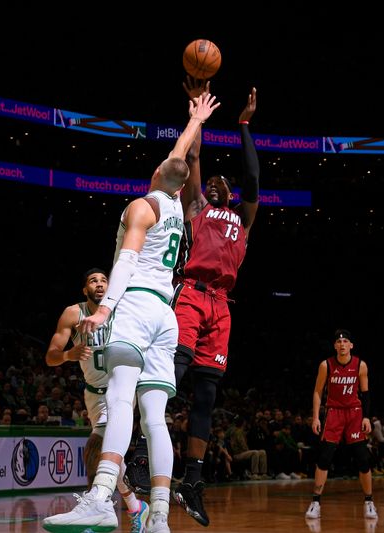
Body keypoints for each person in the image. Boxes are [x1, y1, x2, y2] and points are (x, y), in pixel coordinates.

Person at [43, 91, 219, 533]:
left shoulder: (142, 206)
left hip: (137, 306)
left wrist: (105, 310)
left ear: (157, 173)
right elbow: (178, 157)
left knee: (120, 399)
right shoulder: (178, 206)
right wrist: (196, 120)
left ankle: (102, 497)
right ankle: (158, 516)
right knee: (155, 418)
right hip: (167, 315)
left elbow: (124, 261)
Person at [137, 80, 255, 528]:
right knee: (171, 375)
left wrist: (243, 125)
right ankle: (140, 455)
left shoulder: (243, 218)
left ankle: (193, 481)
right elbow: (191, 158)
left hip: (222, 305)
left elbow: (254, 177)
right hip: (191, 293)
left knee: (206, 395)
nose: (222, 183)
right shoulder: (198, 208)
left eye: (229, 182)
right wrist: (198, 113)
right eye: (216, 180)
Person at [44, 268, 148, 531]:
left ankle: (94, 511)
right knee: (112, 457)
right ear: (85, 289)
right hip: (93, 394)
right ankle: (136, 507)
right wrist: (70, 354)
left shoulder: (121, 309)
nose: (100, 284)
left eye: (104, 280)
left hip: (121, 391)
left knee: (94, 447)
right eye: (93, 281)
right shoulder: (73, 313)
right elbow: (51, 356)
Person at [305, 329, 377, 521]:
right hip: (333, 413)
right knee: (325, 457)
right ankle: (315, 502)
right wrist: (316, 417)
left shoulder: (360, 365)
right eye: (339, 341)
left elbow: (366, 393)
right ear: (335, 346)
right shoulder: (325, 365)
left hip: (354, 413)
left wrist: (366, 417)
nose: (342, 344)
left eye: (346, 341)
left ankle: (369, 502)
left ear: (351, 345)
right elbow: (317, 392)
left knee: (363, 458)